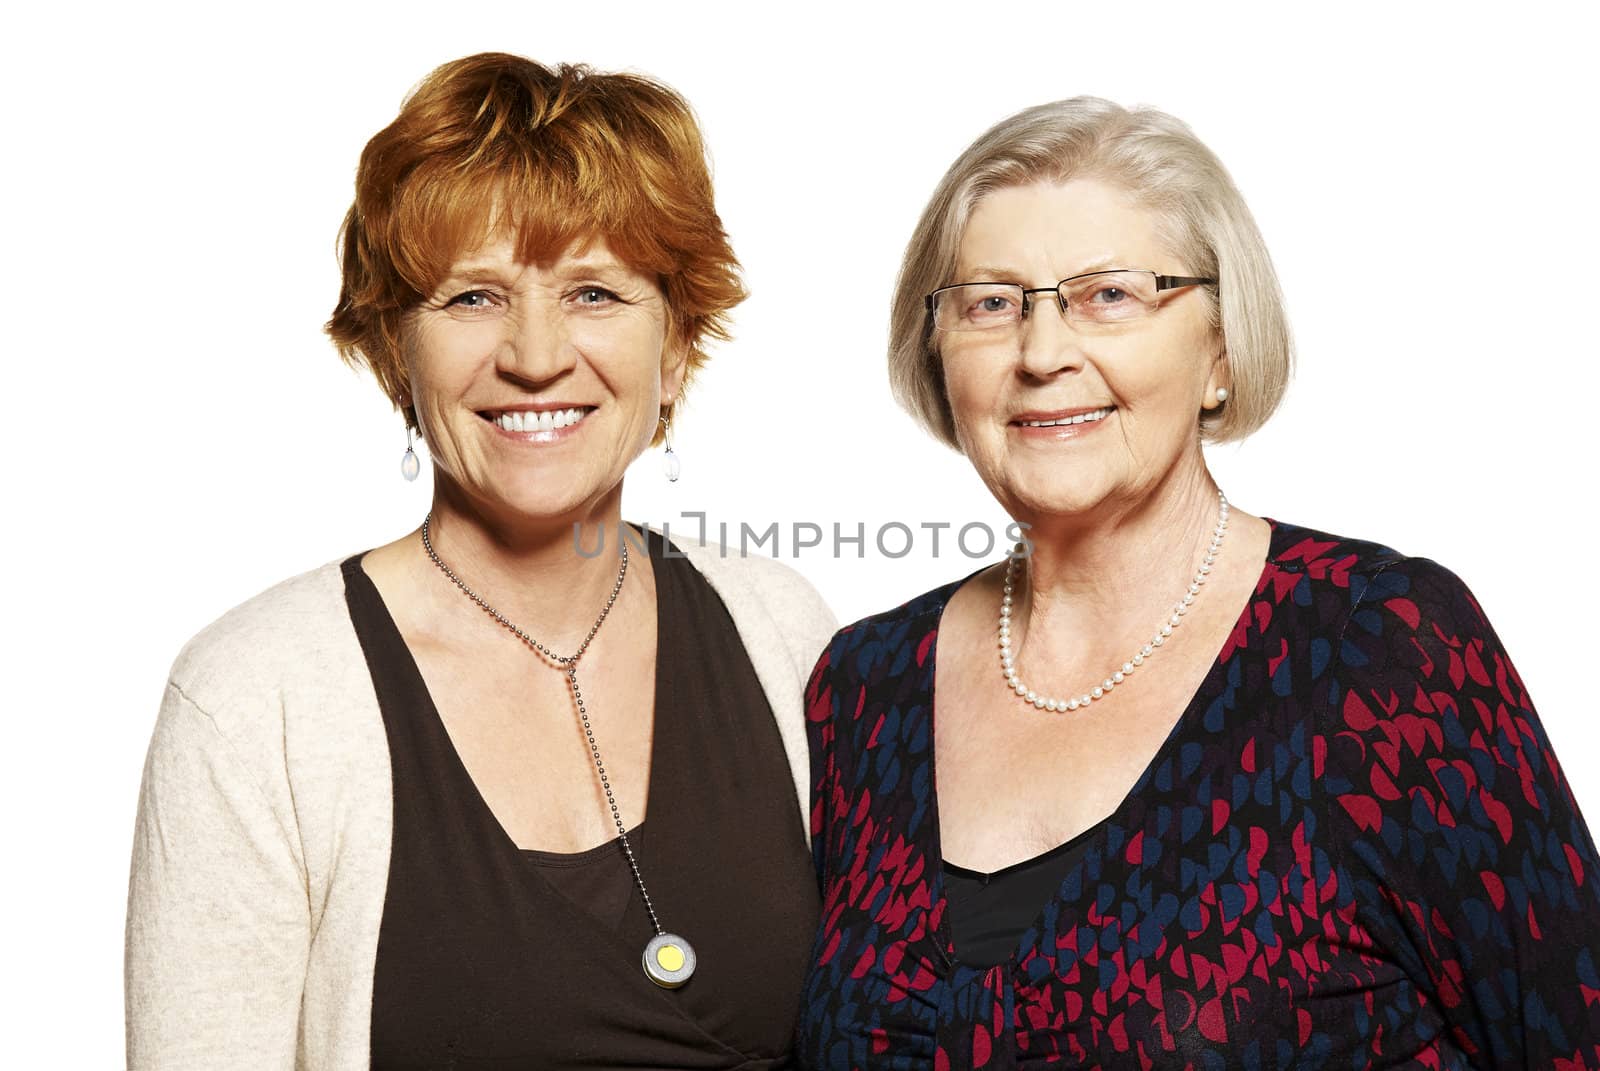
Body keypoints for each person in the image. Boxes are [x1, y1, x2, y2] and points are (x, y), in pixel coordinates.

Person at [796, 97, 1600, 1069]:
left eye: (1109, 296)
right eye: (991, 304)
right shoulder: (862, 686)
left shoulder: (1378, 648)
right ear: (937, 353)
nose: (1043, 354)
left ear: (1218, 350)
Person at [125, 52, 834, 1070]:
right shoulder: (256, 699)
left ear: (674, 349)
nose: (536, 354)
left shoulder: (781, 628)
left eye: (595, 292)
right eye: (471, 299)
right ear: (392, 354)